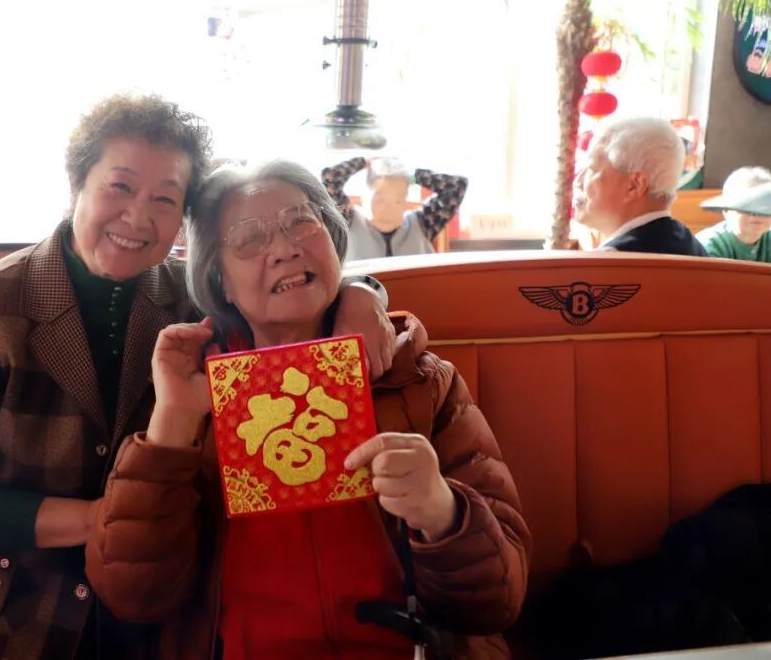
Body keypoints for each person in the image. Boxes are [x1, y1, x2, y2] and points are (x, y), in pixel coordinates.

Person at [0, 96, 398, 660]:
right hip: (2, 604)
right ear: (78, 185)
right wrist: (107, 521)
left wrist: (362, 295)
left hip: (135, 615)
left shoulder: (189, 299)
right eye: (120, 187)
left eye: (165, 199)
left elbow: (289, 289)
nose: (138, 218)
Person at [86, 160, 530, 659]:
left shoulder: (418, 382)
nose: (284, 248)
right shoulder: (191, 388)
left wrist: (443, 513)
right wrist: (173, 423)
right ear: (221, 281)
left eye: (301, 221)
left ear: (334, 240)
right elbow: (132, 596)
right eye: (248, 239)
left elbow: (498, 600)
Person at [574, 117, 707, 256]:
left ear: (635, 185)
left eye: (592, 168)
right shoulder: (697, 251)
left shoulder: (608, 262)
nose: (578, 181)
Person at [321, 155, 468, 261]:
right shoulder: (348, 221)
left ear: (405, 201)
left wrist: (414, 177)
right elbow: (330, 178)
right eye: (380, 199)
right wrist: (363, 162)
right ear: (364, 196)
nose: (389, 208)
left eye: (397, 200)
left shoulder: (423, 224)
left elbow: (457, 186)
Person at [697, 166, 771, 262]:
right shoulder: (708, 245)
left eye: (763, 205)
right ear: (725, 210)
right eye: (746, 206)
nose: (756, 214)